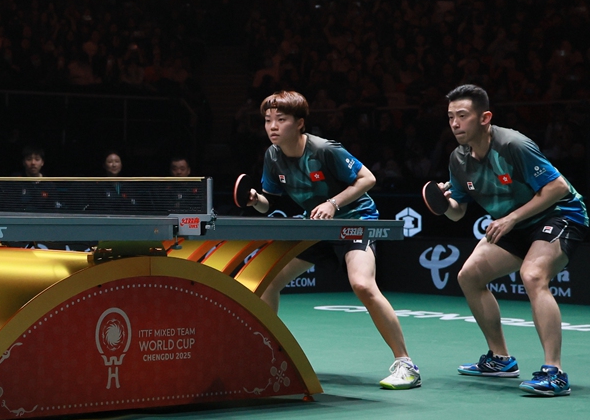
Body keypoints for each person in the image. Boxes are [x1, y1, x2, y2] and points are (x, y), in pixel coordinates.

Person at [244, 90, 420, 390]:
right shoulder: (272, 156)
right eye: (268, 120)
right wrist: (255, 200)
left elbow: (368, 179)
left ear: (299, 123)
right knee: (267, 278)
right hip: (315, 227)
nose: (272, 126)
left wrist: (333, 204)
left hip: (353, 222)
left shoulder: (325, 150)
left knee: (363, 284)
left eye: (281, 120)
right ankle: (266, 355)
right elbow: (270, 202)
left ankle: (406, 364)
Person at [436, 84, 588, 396]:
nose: (454, 123)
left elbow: (558, 187)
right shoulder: (458, 159)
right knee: (469, 276)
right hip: (514, 225)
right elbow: (457, 212)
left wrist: (511, 218)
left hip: (559, 215)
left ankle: (554, 372)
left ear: (484, 117)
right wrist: (443, 204)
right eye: (451, 117)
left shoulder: (513, 144)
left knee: (533, 275)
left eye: (462, 116)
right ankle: (500, 359)